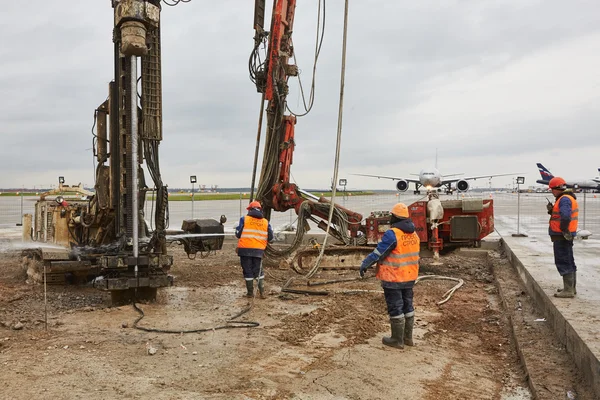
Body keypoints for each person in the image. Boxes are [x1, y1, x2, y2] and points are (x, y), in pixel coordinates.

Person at [359, 202, 420, 349]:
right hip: (409, 276)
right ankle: (407, 338)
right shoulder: (414, 234)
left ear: (394, 217)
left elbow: (378, 253)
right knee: (408, 305)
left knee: (396, 306)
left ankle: (397, 340)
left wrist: (365, 264)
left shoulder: (392, 234)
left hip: (394, 277)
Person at [546, 177, 579, 298]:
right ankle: (571, 288)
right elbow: (561, 215)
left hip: (562, 235)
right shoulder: (566, 198)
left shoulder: (564, 199)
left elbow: (565, 216)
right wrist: (551, 211)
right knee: (569, 259)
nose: (552, 192)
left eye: (552, 190)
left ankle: (568, 290)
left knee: (563, 260)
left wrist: (564, 230)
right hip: (565, 235)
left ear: (557, 188)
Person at [235, 200, 274, 299]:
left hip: (245, 250)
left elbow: (238, 234)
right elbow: (271, 238)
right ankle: (262, 293)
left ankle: (250, 293)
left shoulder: (244, 219)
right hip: (258, 251)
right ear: (260, 210)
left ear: (250, 209)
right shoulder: (265, 222)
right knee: (258, 271)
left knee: (248, 271)